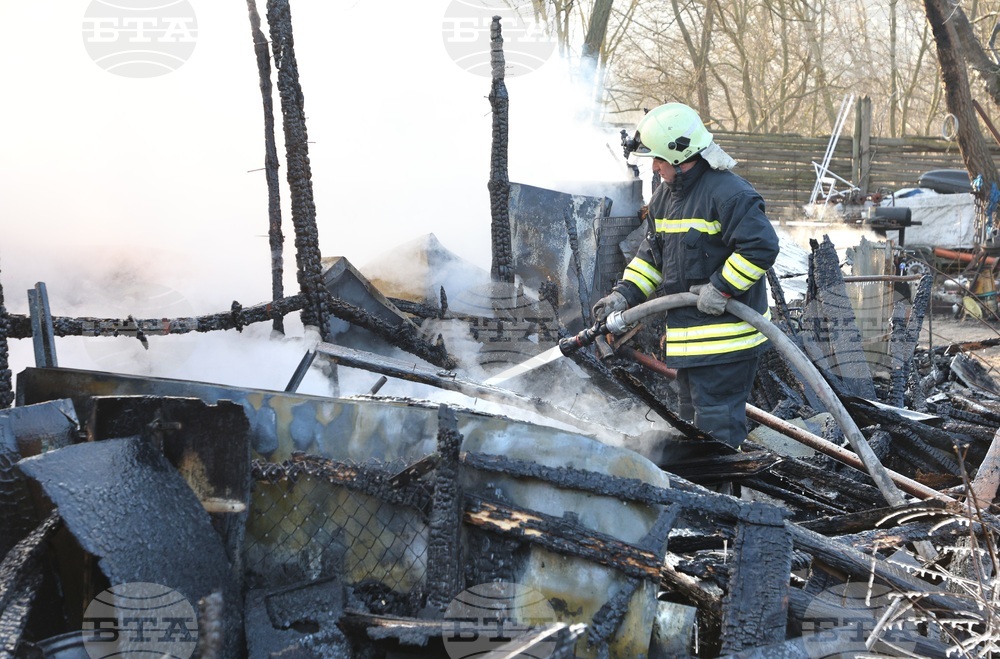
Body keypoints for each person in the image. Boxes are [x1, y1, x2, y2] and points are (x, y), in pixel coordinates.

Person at [593, 103, 780, 448]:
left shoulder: (729, 194)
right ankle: (700, 481)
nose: (654, 166)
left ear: (679, 156)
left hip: (727, 344)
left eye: (659, 158)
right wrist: (623, 295)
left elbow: (760, 247)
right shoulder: (666, 198)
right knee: (692, 429)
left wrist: (721, 288)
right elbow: (652, 258)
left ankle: (724, 483)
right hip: (690, 343)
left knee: (717, 433)